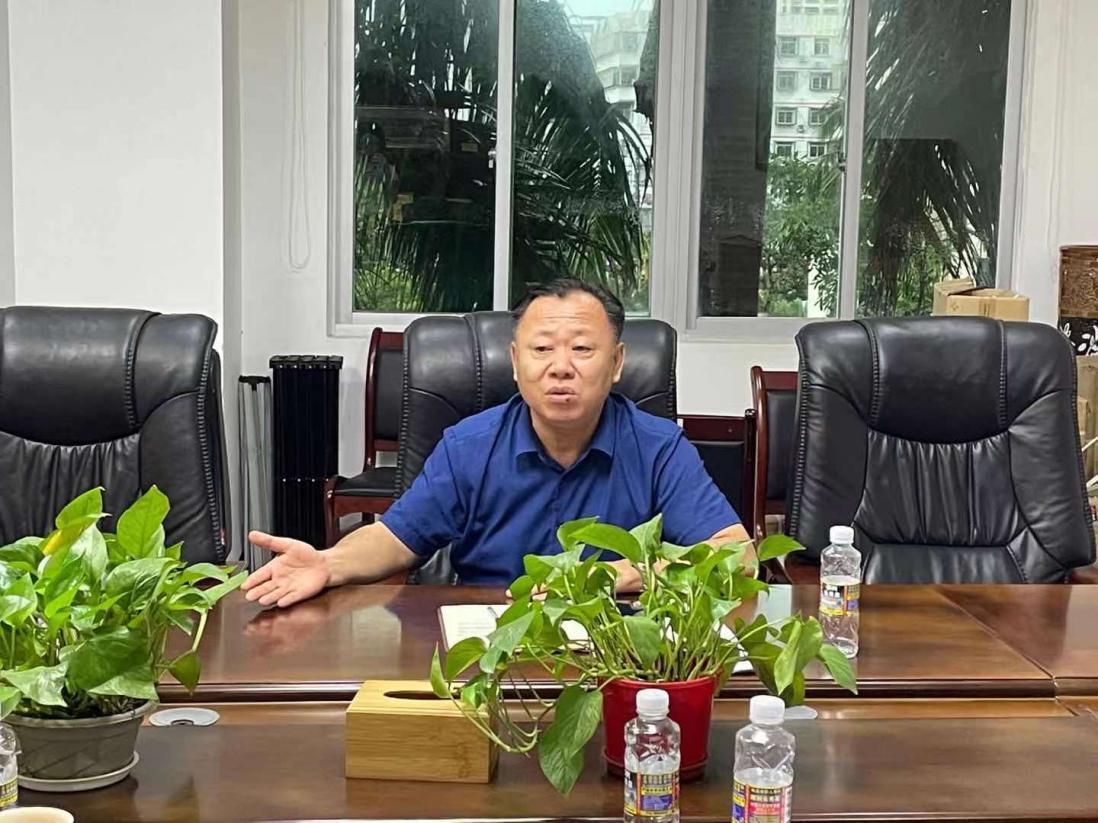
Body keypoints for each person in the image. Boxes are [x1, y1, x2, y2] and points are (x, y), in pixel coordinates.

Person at [243, 279, 753, 608]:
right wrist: (328, 563)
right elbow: (396, 538)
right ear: (514, 361)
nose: (560, 367)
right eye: (542, 349)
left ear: (616, 363)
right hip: (489, 633)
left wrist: (614, 577)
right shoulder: (470, 446)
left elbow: (738, 555)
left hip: (617, 641)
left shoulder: (658, 447)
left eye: (582, 349)